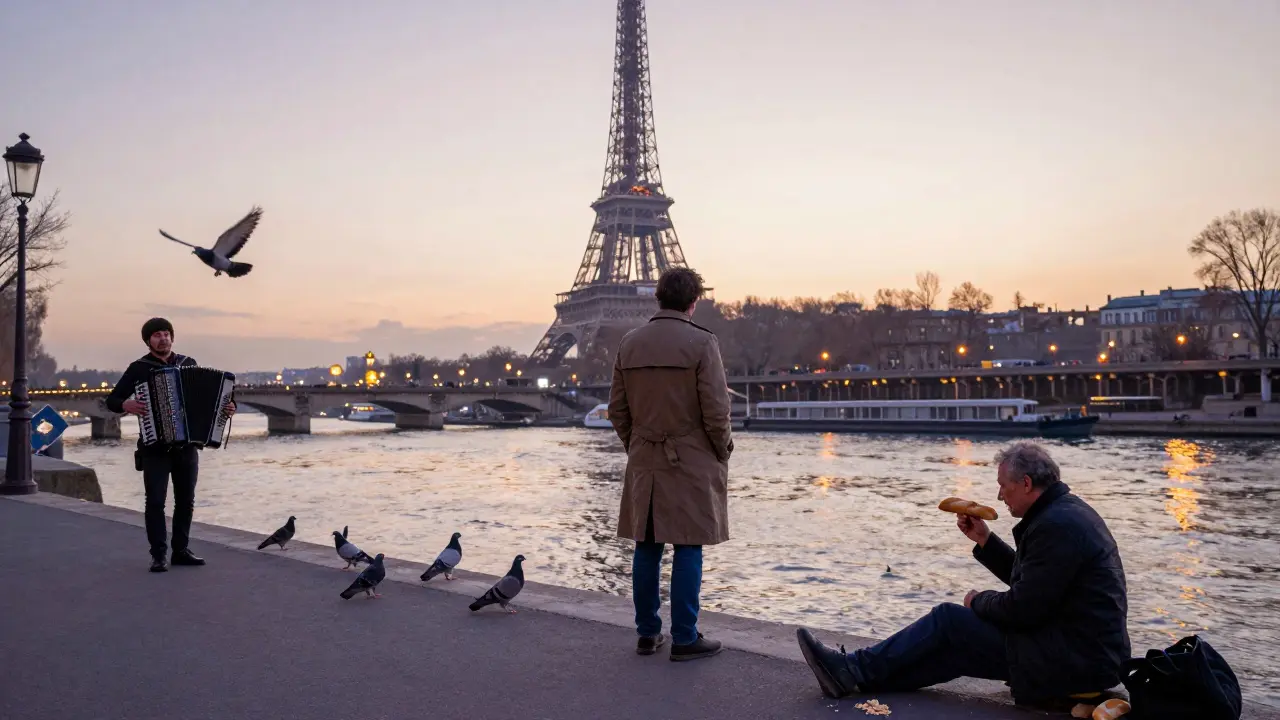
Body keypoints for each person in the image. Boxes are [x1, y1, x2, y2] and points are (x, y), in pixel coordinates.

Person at [796, 441, 1130, 709]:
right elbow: (1036, 584)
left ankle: (853, 668)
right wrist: (985, 540)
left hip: (1074, 661)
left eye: (1004, 486)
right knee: (956, 650)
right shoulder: (1066, 514)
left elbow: (1024, 609)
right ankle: (856, 678)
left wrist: (977, 601)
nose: (1000, 496)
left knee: (949, 620)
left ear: (1026, 483)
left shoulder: (1056, 526)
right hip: (1082, 653)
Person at [608, 267, 733, 662]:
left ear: (657, 298)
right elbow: (716, 410)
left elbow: (616, 410)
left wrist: (638, 445)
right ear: (693, 302)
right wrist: (721, 449)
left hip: (645, 456)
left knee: (646, 545)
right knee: (688, 545)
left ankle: (647, 633)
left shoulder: (629, 343)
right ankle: (684, 637)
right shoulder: (701, 342)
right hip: (691, 457)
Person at [105, 317, 236, 573]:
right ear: (148, 341)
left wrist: (229, 407)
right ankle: (158, 555)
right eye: (157, 335)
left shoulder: (188, 364)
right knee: (155, 501)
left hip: (187, 447)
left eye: (166, 334)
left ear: (172, 337)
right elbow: (113, 400)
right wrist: (126, 405)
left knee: (186, 501)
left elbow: (215, 400)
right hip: (155, 447)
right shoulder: (139, 368)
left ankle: (180, 550)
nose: (162, 338)